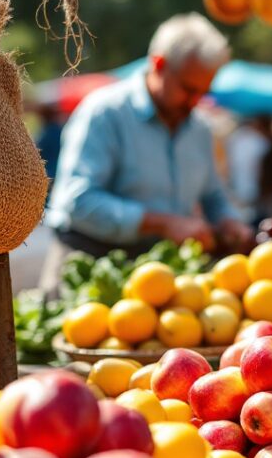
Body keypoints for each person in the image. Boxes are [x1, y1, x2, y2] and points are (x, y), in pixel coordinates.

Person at [41, 14, 252, 288]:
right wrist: (162, 224)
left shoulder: (200, 127)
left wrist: (228, 220)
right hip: (87, 270)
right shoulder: (105, 112)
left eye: (203, 92)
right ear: (159, 65)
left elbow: (213, 195)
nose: (195, 102)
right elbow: (78, 201)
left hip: (159, 275)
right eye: (188, 89)